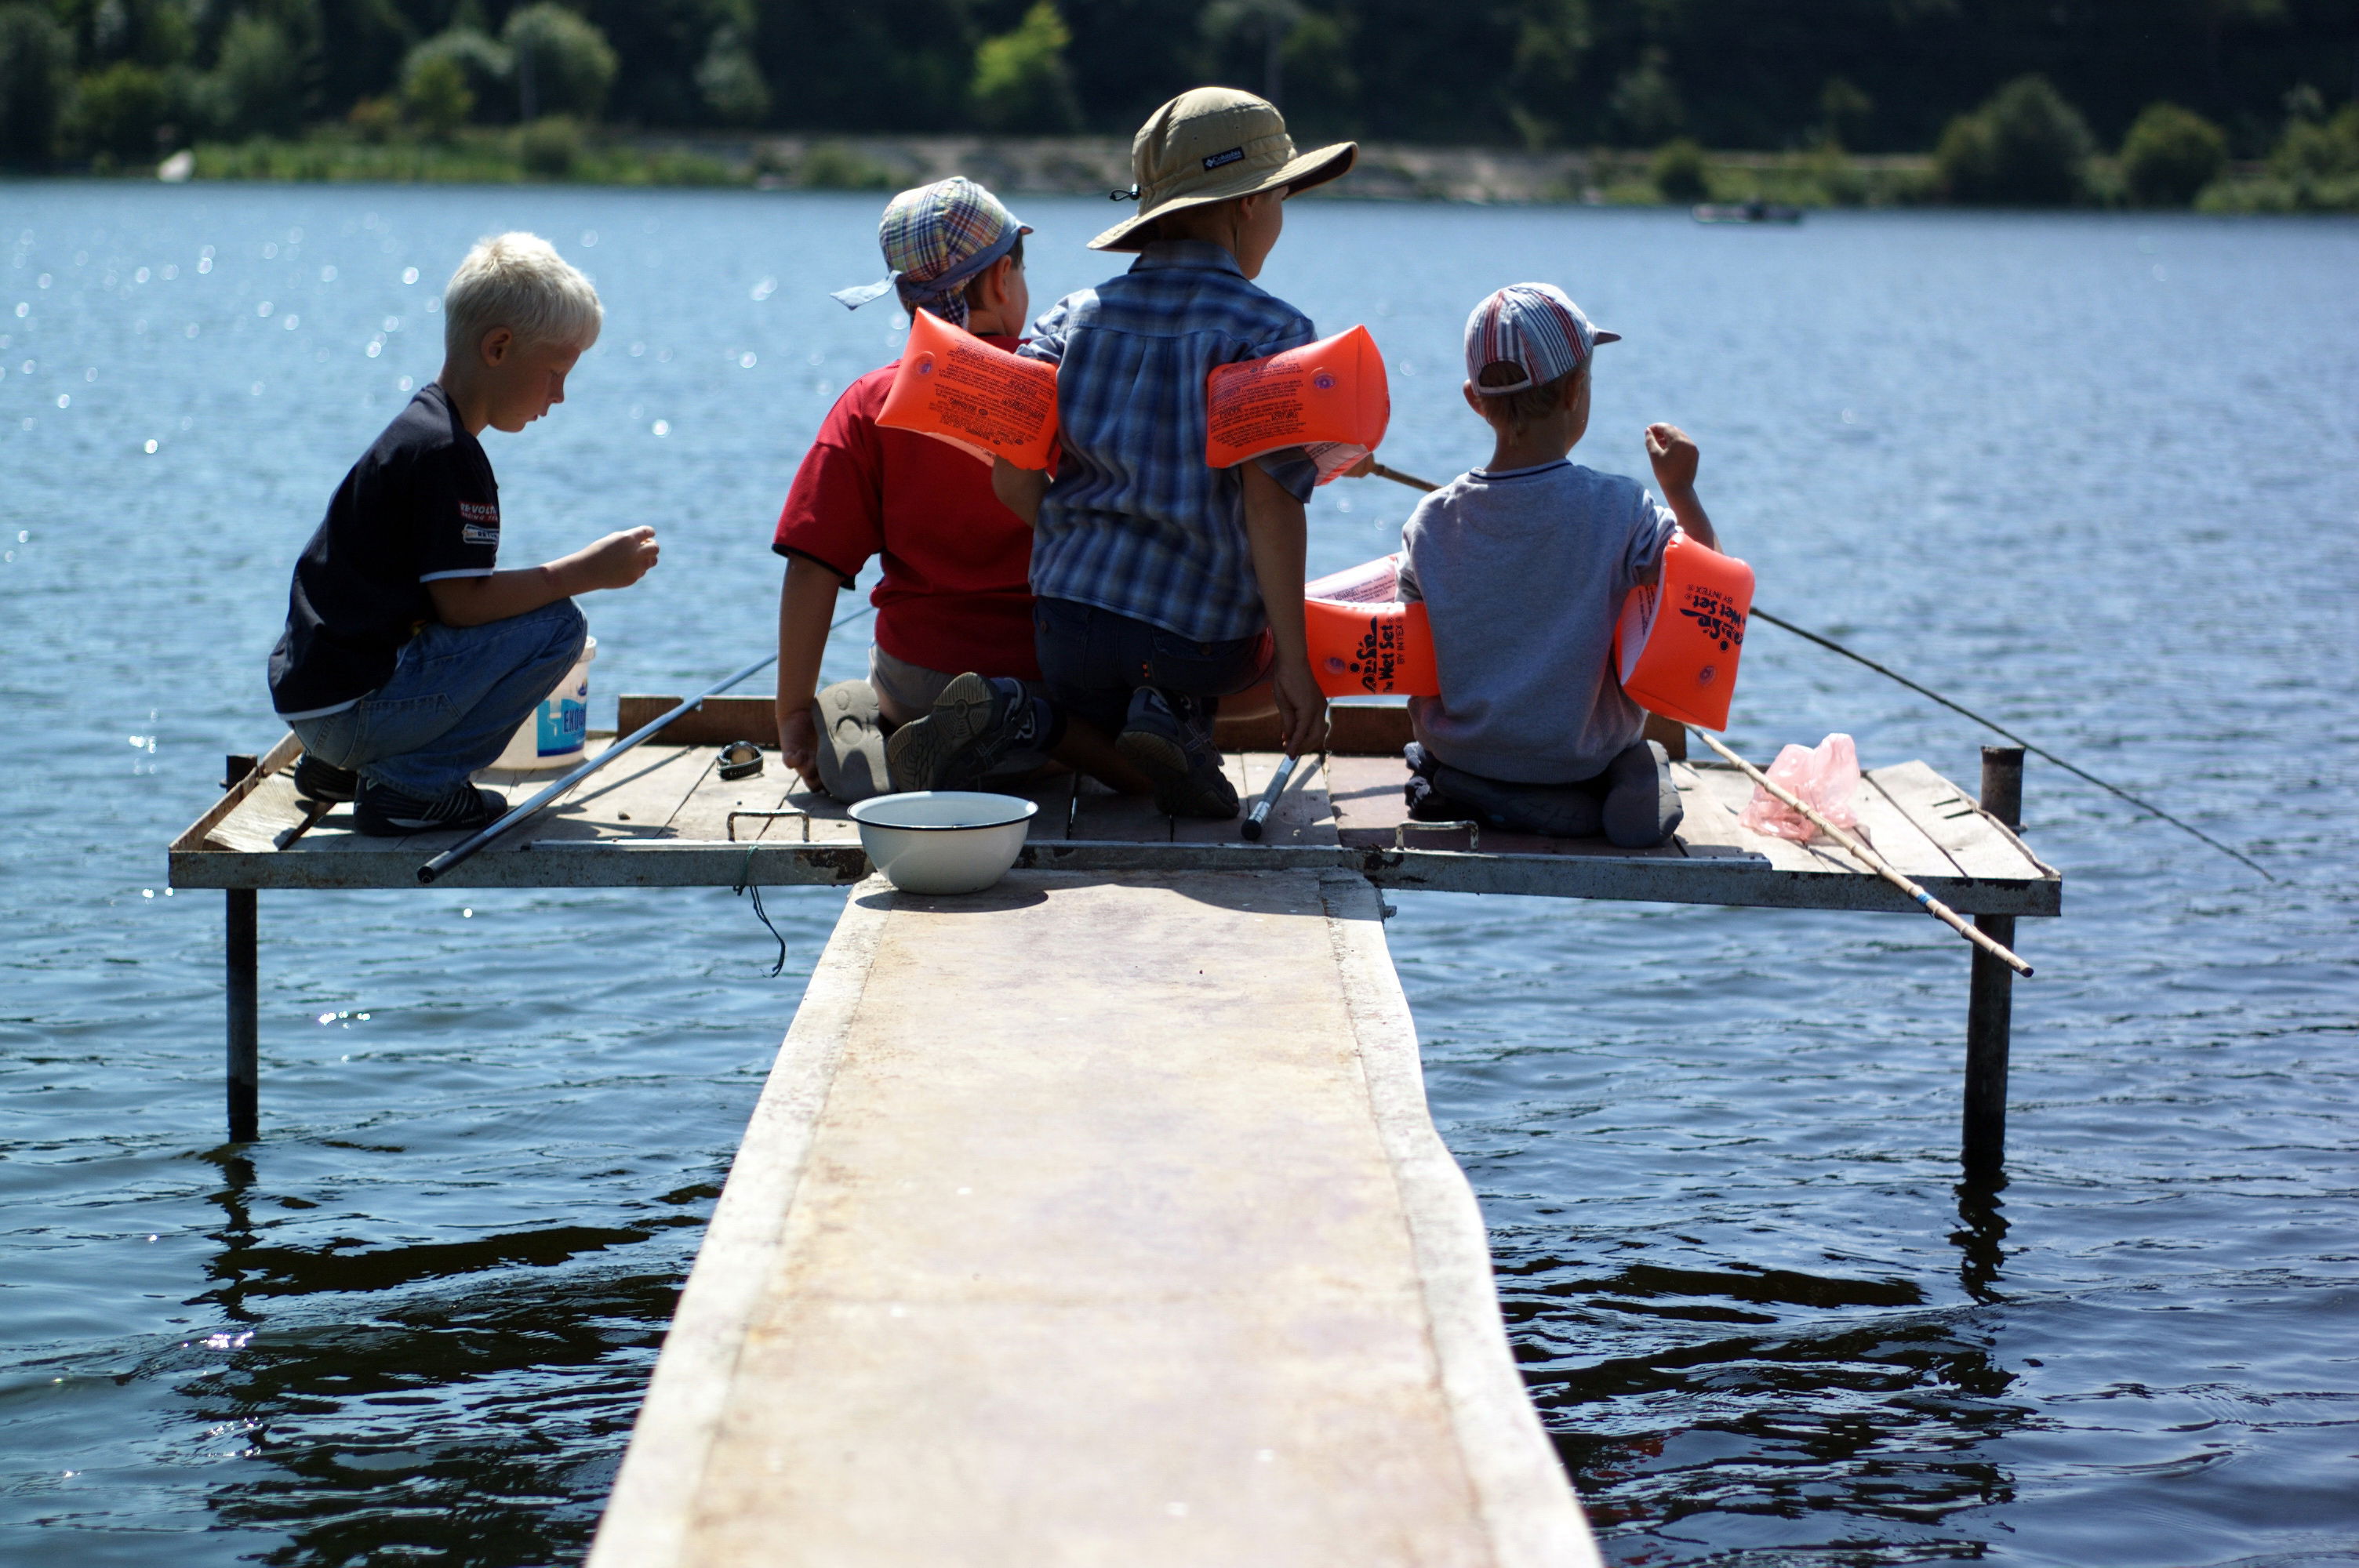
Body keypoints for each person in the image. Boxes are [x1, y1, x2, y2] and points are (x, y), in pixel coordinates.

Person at [988, 87, 1354, 818]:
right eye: (1281, 195)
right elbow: (1270, 500)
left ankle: (1041, 714)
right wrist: (1294, 662)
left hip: (1065, 628)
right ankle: (1176, 718)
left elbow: (1010, 477)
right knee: (1237, 663)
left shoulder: (1071, 318)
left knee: (1108, 679)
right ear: (1247, 203)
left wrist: (1081, 547)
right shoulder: (1272, 333)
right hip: (1194, 642)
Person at [266, 232, 659, 837]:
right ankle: (412, 787)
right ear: (499, 348)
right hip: (352, 711)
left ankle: (343, 770)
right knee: (559, 626)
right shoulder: (449, 454)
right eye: (555, 373)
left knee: (525, 612)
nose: (559, 396)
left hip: (317, 708)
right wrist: (588, 572)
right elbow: (464, 605)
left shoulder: (419, 431)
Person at [773, 176, 1140, 800]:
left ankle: (877, 734)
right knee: (1094, 741)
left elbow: (812, 565)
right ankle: (1013, 748)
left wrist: (791, 714)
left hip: (915, 676)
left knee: (903, 696)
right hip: (1054, 675)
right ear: (1003, 278)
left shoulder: (870, 404)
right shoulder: (1063, 393)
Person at [1394, 281, 1717, 848]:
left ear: (1475, 399)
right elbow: (1705, 595)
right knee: (1642, 753)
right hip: (1581, 754)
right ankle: (1623, 780)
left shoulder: (1429, 521)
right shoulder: (1623, 509)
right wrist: (1682, 491)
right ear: (1575, 392)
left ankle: (1463, 782)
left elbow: (1410, 653)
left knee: (1437, 753)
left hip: (1462, 745)